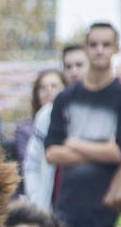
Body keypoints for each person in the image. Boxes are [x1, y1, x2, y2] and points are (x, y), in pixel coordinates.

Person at [45, 22, 121, 227]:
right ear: (86, 49)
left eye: (106, 44)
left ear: (116, 49)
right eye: (94, 44)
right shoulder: (65, 98)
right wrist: (102, 148)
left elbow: (119, 153)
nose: (99, 50)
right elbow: (51, 153)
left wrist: (75, 143)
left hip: (108, 208)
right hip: (67, 207)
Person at [23, 46, 86, 211]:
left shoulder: (108, 109)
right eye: (68, 66)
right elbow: (32, 163)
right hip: (55, 211)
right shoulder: (46, 115)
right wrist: (39, 202)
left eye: (79, 65)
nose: (74, 71)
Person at [14, 70, 64, 166]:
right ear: (36, 94)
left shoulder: (72, 125)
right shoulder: (24, 129)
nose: (49, 91)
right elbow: (27, 162)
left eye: (54, 86)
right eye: (43, 87)